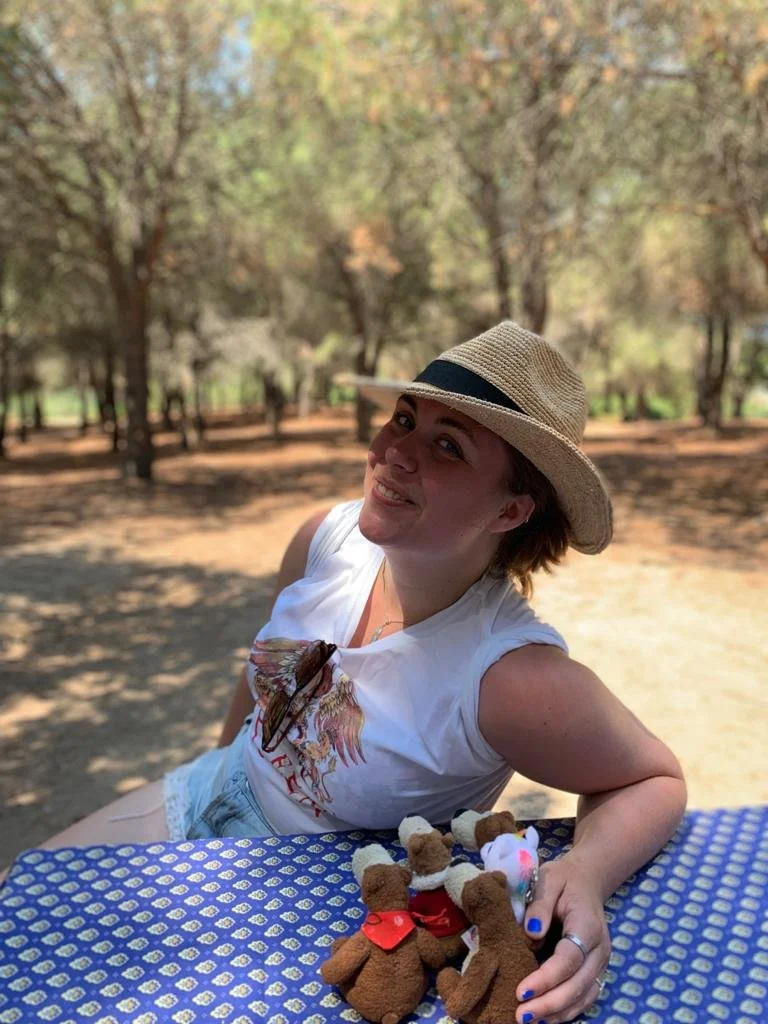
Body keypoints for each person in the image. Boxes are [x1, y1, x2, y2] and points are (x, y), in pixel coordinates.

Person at [30, 321, 686, 1024]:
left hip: (308, 899)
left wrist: (585, 873)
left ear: (511, 509)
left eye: (446, 446)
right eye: (405, 418)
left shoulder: (509, 678)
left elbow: (653, 778)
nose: (394, 451)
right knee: (24, 901)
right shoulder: (326, 537)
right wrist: (221, 755)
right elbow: (264, 684)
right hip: (205, 794)